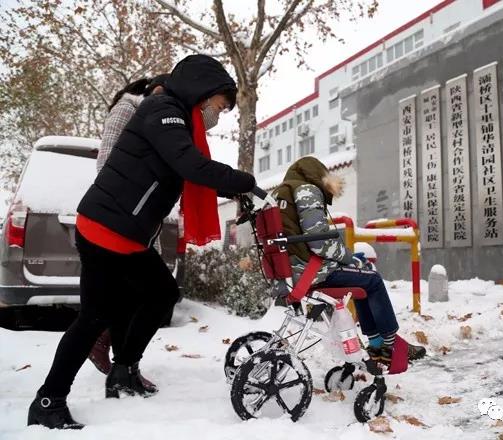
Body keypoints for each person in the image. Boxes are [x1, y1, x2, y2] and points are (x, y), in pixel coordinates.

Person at [27, 54, 256, 430]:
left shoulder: (175, 115)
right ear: (202, 93)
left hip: (127, 234)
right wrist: (245, 182)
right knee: (94, 317)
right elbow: (190, 165)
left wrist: (232, 192)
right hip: (106, 229)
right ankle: (48, 401)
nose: (218, 116)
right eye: (219, 107)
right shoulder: (163, 109)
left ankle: (123, 370)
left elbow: (183, 172)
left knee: (161, 294)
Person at [273, 157, 425, 369]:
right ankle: (387, 344)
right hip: (308, 272)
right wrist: (348, 257)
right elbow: (318, 242)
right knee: (372, 280)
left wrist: (348, 259)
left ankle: (376, 343)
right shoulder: (307, 191)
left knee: (362, 278)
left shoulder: (282, 192)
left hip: (290, 270)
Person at [87, 74, 170, 390]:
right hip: (123, 218)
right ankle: (110, 349)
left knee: (143, 294)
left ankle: (123, 364)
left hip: (143, 218)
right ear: (149, 90)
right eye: (162, 92)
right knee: (144, 293)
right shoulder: (127, 107)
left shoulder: (152, 116)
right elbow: (106, 159)